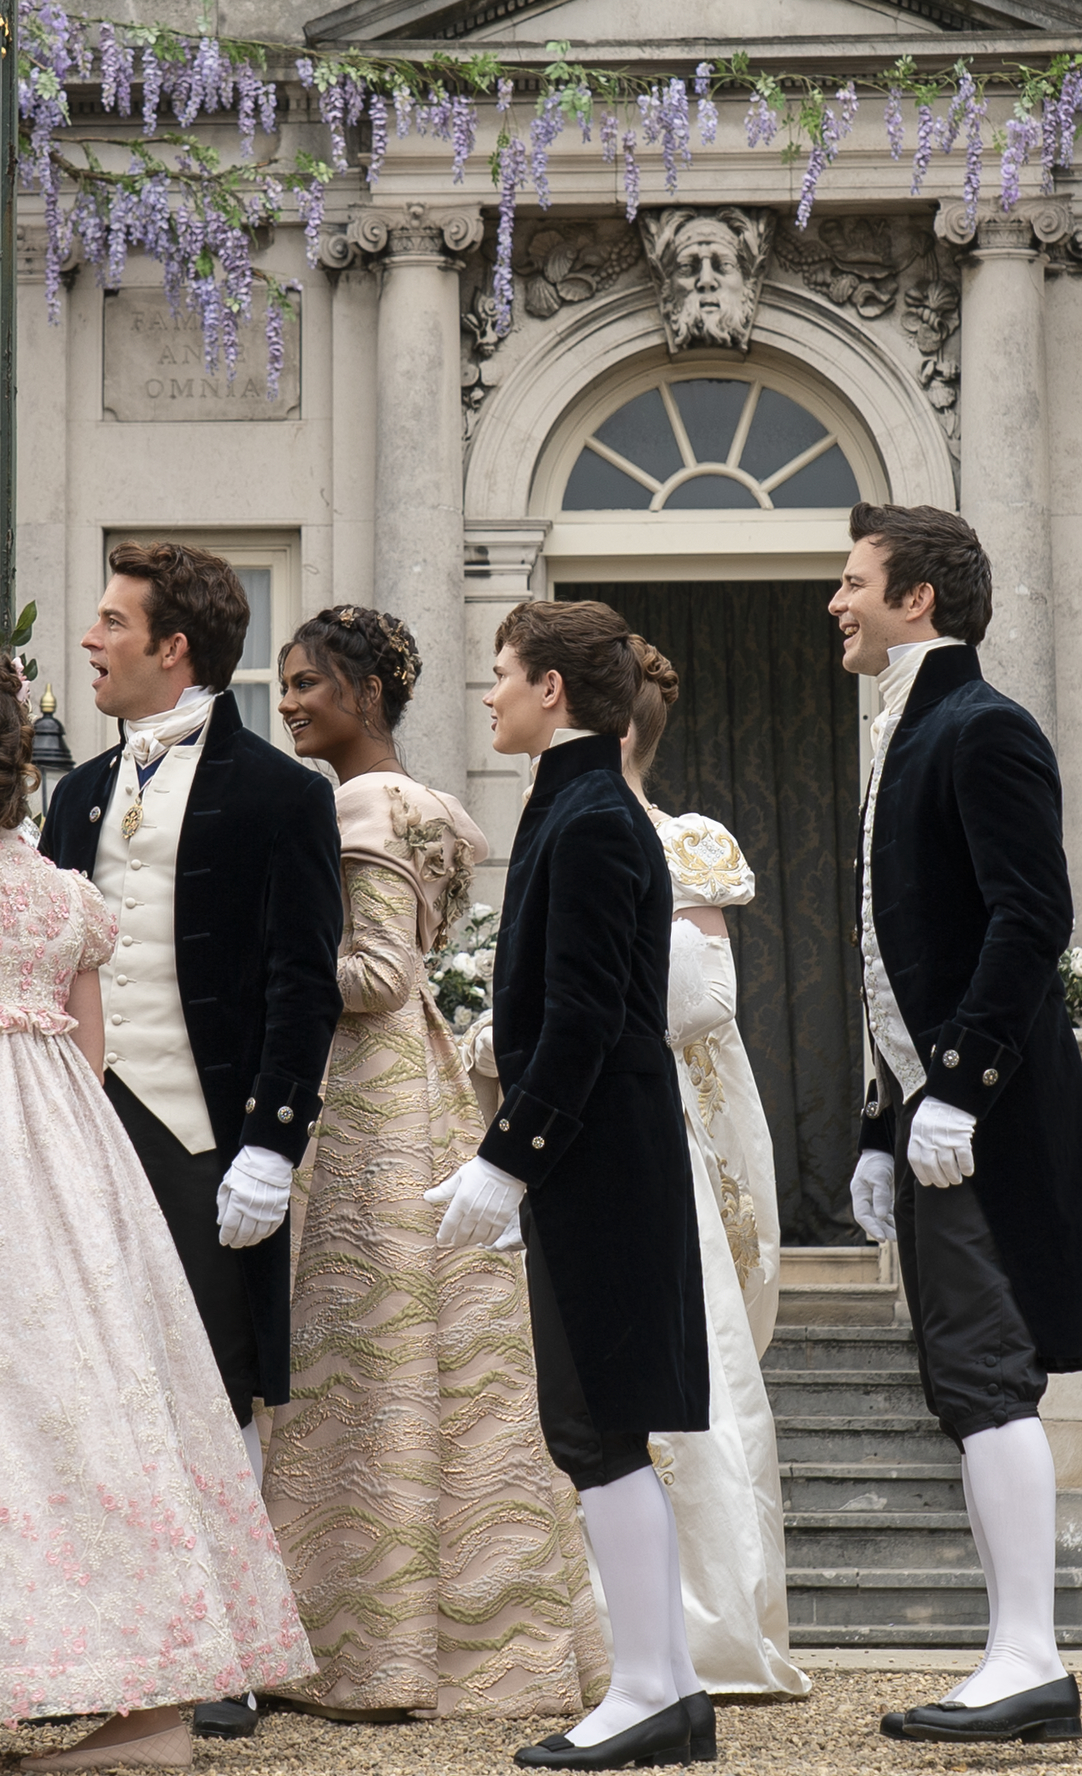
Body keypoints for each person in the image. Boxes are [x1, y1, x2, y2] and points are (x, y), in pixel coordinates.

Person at [0, 657, 314, 1768]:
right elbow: (91, 1048)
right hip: (77, 1163)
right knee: (66, 1398)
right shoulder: (65, 895)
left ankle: (149, 1713)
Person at [256, 606, 609, 1722]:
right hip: (419, 1088)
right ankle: (455, 1630)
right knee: (428, 1360)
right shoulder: (426, 808)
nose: (290, 701)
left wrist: (264, 938)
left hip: (361, 1096)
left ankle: (363, 1639)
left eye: (308, 682)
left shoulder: (361, 807)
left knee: (359, 1354)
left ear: (365, 693)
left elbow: (373, 975)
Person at [833, 502, 1082, 1751]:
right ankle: (1012, 1652)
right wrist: (879, 1116)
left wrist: (957, 1084)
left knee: (989, 1376)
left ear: (919, 599)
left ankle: (1028, 1659)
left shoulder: (984, 724)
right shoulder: (910, 723)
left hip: (993, 1119)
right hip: (933, 1116)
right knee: (965, 1380)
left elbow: (1031, 917)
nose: (836, 602)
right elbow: (894, 953)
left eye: (853, 582)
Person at [35, 540, 346, 1741]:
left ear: (174, 647)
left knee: (220, 1383)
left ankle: (225, 1646)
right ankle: (117, 1644)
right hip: (86, 1124)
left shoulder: (282, 793)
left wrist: (272, 1141)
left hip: (212, 1134)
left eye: (111, 621)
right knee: (97, 1381)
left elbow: (299, 982)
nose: (91, 639)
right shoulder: (74, 795)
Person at [427, 598, 712, 1773]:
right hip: (596, 1154)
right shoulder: (576, 804)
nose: (485, 693)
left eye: (499, 674)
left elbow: (591, 1020)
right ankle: (669, 1689)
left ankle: (651, 1690)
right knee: (590, 1426)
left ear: (551, 689)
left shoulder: (592, 817)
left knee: (598, 1428)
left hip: (602, 1159)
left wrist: (509, 1160)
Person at [618, 640, 807, 1703]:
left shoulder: (684, 844)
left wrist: (519, 1032)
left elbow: (697, 1004)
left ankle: (698, 1624)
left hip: (669, 1130)